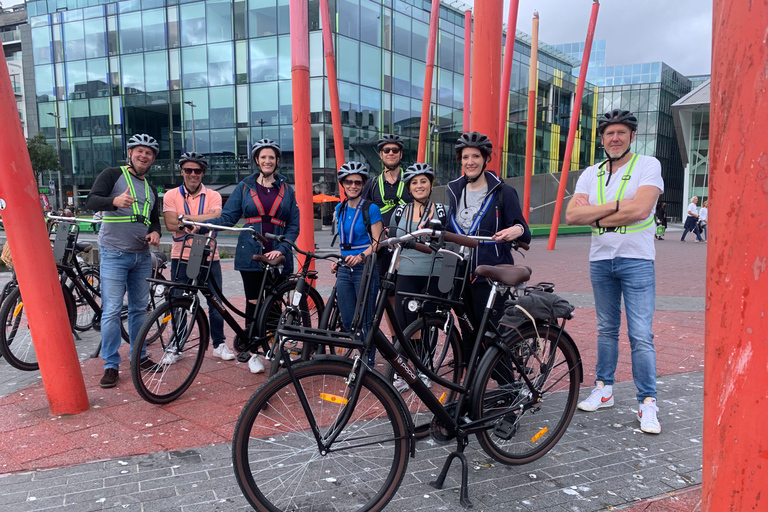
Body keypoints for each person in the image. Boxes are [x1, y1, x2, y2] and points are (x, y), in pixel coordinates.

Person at [565, 109, 663, 434]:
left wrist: (593, 214)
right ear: (602, 139)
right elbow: (571, 216)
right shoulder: (591, 173)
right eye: (609, 134)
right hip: (601, 261)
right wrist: (616, 206)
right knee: (606, 330)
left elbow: (641, 209)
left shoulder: (648, 165)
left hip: (637, 260)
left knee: (640, 335)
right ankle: (604, 388)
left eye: (621, 133)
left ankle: (647, 402)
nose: (615, 138)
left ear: (632, 136)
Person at [201, 139, 300, 374]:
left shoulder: (286, 189)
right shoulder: (244, 187)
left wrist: (284, 248)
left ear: (277, 161)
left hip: (277, 250)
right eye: (263, 157)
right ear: (257, 160)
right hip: (251, 252)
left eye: (272, 157)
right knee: (253, 303)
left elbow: (294, 225)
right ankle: (254, 352)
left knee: (275, 304)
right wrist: (201, 226)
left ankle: (277, 349)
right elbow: (227, 218)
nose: (267, 161)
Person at [85, 133, 162, 388]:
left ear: (152, 160)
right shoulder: (112, 175)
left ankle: (138, 357)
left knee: (140, 309)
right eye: (140, 151)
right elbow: (91, 200)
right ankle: (110, 365)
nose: (144, 155)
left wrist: (155, 232)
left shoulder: (150, 188)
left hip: (141, 256)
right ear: (130, 153)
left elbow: (154, 219)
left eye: (149, 153)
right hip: (114, 253)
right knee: (112, 311)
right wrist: (113, 201)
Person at [446, 131, 531, 358]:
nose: (470, 162)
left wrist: (516, 230)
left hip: (491, 274)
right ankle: (472, 385)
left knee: (494, 334)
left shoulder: (503, 192)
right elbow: (449, 228)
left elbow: (524, 231)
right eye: (465, 157)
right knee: (468, 332)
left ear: (485, 159)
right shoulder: (454, 191)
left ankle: (508, 388)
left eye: (475, 156)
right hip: (460, 273)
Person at [163, 151, 235, 362]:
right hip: (181, 255)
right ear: (182, 171)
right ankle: (177, 344)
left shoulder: (213, 195)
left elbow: (216, 218)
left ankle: (219, 344)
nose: (193, 174)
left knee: (215, 301)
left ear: (203, 173)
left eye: (197, 170)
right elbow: (169, 224)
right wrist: (196, 222)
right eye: (188, 170)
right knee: (178, 301)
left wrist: (184, 219)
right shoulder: (170, 195)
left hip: (208, 256)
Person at [389, 163, 448, 392]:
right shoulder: (400, 211)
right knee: (404, 324)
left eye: (423, 181)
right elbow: (392, 239)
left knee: (429, 323)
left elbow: (451, 240)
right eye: (414, 182)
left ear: (431, 185)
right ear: (409, 187)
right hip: (407, 274)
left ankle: (425, 368)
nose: (419, 185)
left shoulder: (442, 210)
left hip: (434, 274)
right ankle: (404, 370)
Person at [333, 161, 383, 367]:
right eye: (349, 182)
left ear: (363, 185)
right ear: (343, 184)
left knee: (365, 318)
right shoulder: (340, 207)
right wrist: (339, 259)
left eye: (358, 182)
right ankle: (361, 350)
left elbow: (378, 242)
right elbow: (345, 239)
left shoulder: (371, 209)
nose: (353, 185)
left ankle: (367, 360)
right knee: (347, 319)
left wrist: (361, 256)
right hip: (345, 267)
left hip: (365, 267)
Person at [362, 134, 412, 280]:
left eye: (395, 150)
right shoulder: (372, 184)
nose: (391, 153)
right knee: (381, 292)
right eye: (386, 150)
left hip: (406, 246)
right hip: (380, 247)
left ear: (401, 154)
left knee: (403, 291)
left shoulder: (412, 182)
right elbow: (362, 213)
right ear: (381, 154)